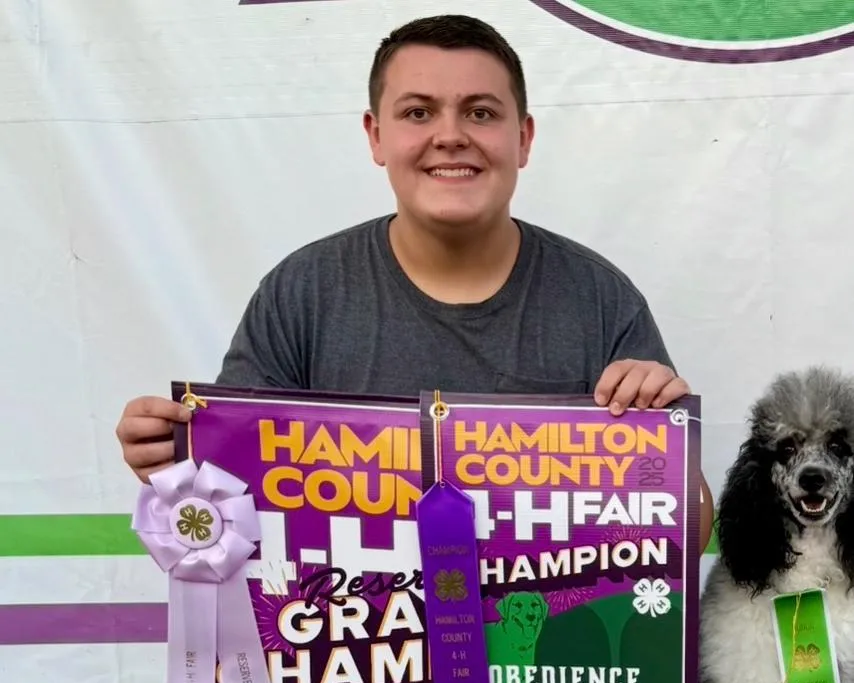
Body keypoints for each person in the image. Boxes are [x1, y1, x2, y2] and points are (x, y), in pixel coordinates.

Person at [115, 13, 713, 551]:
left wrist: (663, 448)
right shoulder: (302, 294)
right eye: (418, 112)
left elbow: (687, 532)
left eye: (480, 112)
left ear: (523, 138)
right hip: (352, 660)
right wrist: (181, 469)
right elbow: (238, 503)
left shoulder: (600, 300)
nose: (450, 135)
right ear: (376, 136)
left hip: (540, 652)